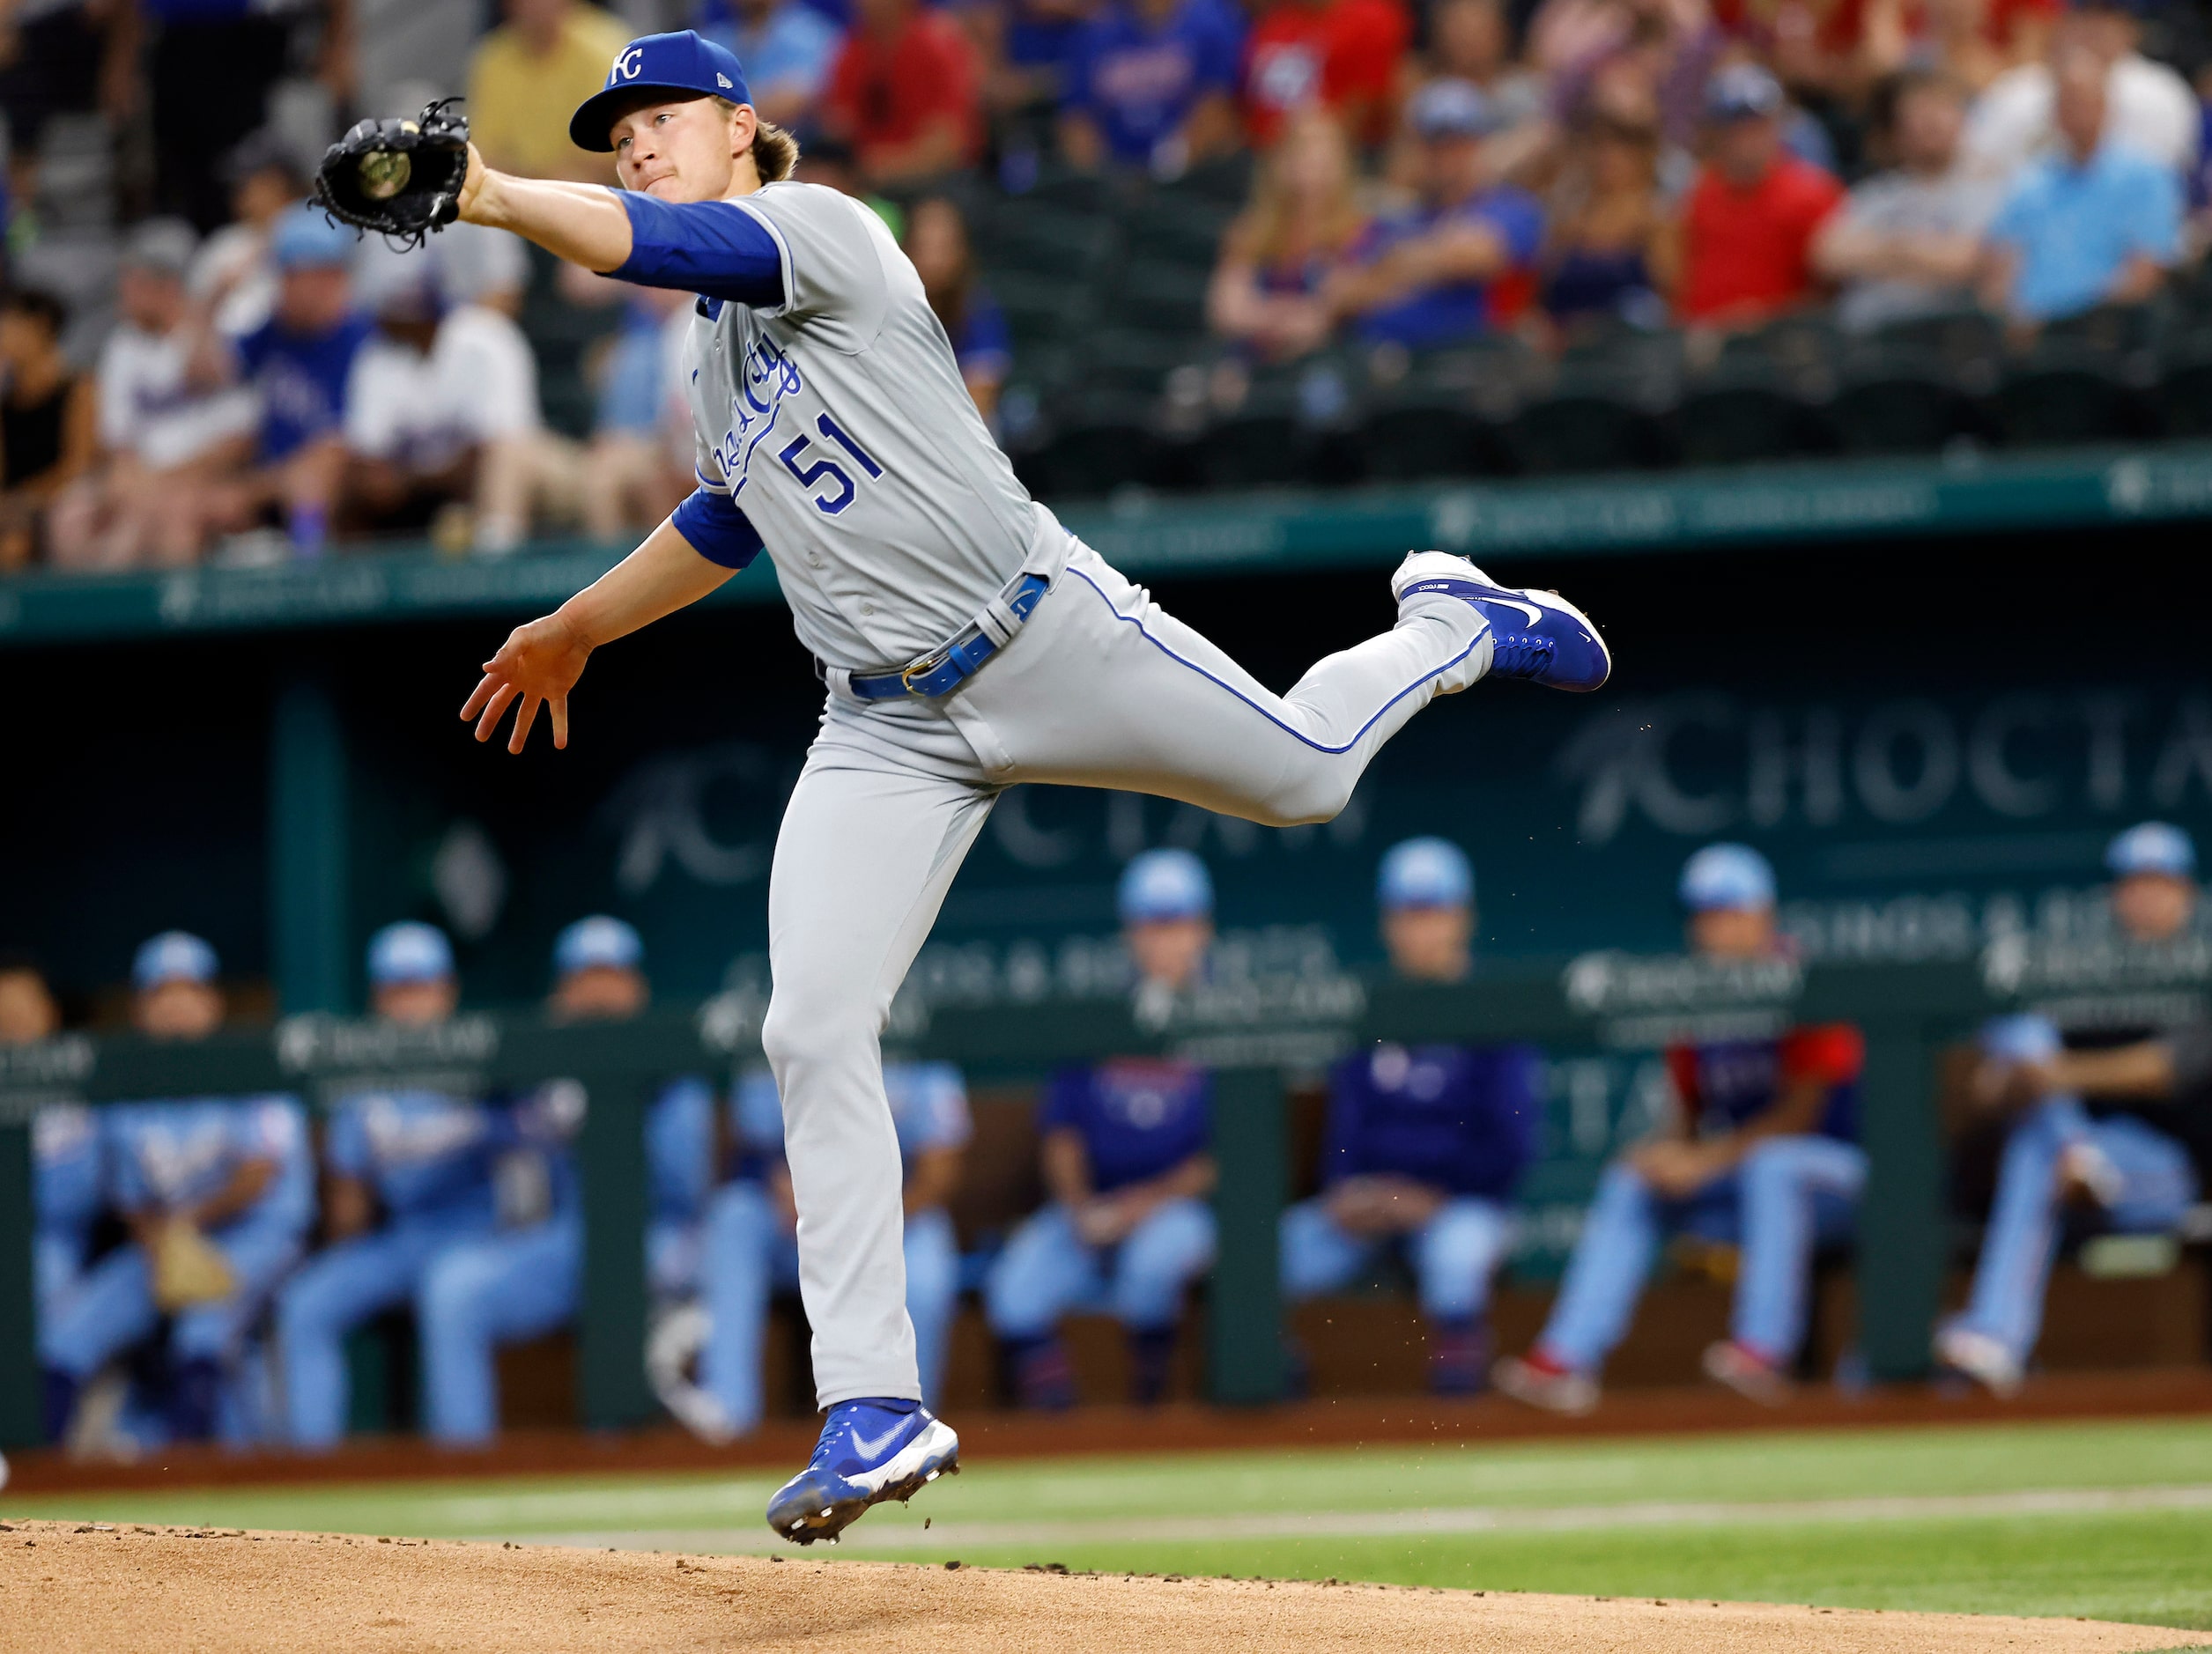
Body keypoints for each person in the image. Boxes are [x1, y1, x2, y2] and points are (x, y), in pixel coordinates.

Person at [447, 26, 1608, 1543]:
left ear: (738, 126)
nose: (635, 144)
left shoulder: (822, 229)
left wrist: (486, 193)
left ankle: (1448, 626)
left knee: (1312, 776)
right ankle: (870, 1400)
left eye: (658, 117)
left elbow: (649, 239)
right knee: (808, 1023)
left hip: (1034, 626)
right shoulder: (707, 345)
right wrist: (573, 624)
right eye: (615, 131)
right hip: (879, 725)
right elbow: (728, 518)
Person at [1495, 845, 1867, 1413]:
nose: (1710, 929)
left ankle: (1763, 1351)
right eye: (1702, 915)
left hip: (1847, 1177)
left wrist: (1705, 1161)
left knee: (1776, 1165)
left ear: (1761, 915)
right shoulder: (1698, 999)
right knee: (1632, 1181)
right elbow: (1688, 1121)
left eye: (1725, 912)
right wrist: (1667, 1155)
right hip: (1753, 1185)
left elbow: (1802, 1116)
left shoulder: (1803, 981)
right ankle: (1566, 1361)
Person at [414, 917, 704, 1446]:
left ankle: (628, 1450)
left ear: (636, 988)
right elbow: (483, 1124)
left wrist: (597, 1123)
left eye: (610, 977)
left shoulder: (672, 1064)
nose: (596, 992)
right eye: (582, 979)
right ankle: (464, 1464)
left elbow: (685, 1188)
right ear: (560, 992)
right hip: (566, 1240)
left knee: (621, 1272)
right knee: (455, 1287)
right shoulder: (541, 1066)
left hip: (660, 1236)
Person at [1281, 838, 1539, 1393]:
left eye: (1433, 912)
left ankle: (1457, 1408)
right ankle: (1277, 1404)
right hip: (1375, 1203)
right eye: (1407, 914)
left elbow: (1513, 1145)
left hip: (1464, 1204)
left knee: (1456, 1258)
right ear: (1387, 923)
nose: (1420, 929)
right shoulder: (1369, 1009)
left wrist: (1433, 1196)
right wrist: (1349, 1189)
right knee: (1279, 1253)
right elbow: (1346, 1131)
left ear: (1462, 918)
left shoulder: (1495, 1011)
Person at [40, 933, 314, 1445]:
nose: (177, 1006)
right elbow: (123, 1193)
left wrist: (185, 1227)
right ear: (142, 1007)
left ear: (213, 1002)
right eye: (162, 994)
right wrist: (160, 1240)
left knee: (202, 1331)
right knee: (68, 1336)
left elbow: (259, 1173)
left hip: (254, 1237)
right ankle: (34, 1488)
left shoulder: (253, 1063)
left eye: (189, 991)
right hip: (163, 1242)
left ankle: (187, 1488)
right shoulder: (122, 1084)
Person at [985, 850, 1220, 1408]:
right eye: (1151, 925)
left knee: (1153, 1266)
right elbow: (1062, 1134)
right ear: (1131, 934)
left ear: (1202, 930)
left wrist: (1146, 1204)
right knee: (1015, 1285)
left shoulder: (1227, 1019)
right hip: (1094, 1208)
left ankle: (1149, 1416)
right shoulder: (1103, 1018)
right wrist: (1082, 1207)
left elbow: (1228, 1157)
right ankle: (1062, 1431)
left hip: (1178, 1210)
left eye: (1177, 923)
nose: (1164, 940)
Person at [276, 923, 502, 1449]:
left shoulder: (486, 1058)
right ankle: (312, 1472)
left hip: (477, 1233)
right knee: (306, 1303)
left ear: (447, 990)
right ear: (379, 998)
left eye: (420, 987)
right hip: (402, 1239)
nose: (409, 1003)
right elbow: (348, 1204)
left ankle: (465, 1463)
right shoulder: (362, 1081)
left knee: (453, 1290)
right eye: (398, 989)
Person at [1937, 1011, 2201, 1396]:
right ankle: (2074, 1148)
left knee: (2041, 1144)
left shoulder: (2190, 965)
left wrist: (2047, 1076)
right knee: (2023, 1042)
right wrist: (1997, 1084)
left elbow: (2161, 1069)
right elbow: (1973, 1092)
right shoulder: (2059, 963)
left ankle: (1996, 1331)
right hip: (2061, 1173)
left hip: (2166, 1171)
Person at [707, 1058, 969, 1434]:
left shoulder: (916, 1049)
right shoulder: (790, 1030)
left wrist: (873, 1219)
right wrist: (782, 1185)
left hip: (895, 1219)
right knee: (735, 1217)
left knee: (927, 1267)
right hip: (798, 1221)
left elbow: (940, 1168)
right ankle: (728, 1416)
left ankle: (907, 1429)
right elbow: (753, 1147)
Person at [49, 219, 259, 570]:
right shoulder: (122, 345)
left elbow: (238, 443)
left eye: (135, 280)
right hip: (140, 479)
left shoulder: (217, 337)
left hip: (202, 480)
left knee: (160, 518)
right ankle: (78, 619)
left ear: (168, 285)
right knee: (72, 513)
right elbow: (118, 442)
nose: (124, 290)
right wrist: (129, 482)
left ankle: (148, 620)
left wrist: (157, 484)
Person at [343, 260, 570, 555]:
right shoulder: (378, 353)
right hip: (433, 493)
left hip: (533, 467)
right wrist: (399, 481)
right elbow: (368, 461)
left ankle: (496, 563)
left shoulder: (485, 338)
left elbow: (492, 446)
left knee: (507, 455)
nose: (393, 318)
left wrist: (410, 479)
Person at [199, 205, 375, 559]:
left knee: (312, 476)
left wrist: (255, 490)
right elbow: (204, 374)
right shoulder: (275, 330)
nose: (284, 287)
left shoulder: (365, 337)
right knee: (190, 496)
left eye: (295, 275)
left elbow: (349, 441)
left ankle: (306, 590)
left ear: (331, 277)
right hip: (274, 479)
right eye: (283, 275)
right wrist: (213, 299)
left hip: (352, 477)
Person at [1326, 79, 1545, 350]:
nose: (1447, 157)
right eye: (1435, 145)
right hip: (1382, 361)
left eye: (1459, 143)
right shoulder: (1395, 219)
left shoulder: (1511, 207)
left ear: (1478, 145)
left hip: (1467, 363)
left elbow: (1474, 255)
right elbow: (1339, 293)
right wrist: (1421, 265)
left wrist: (1389, 269)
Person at [1979, 47, 2180, 330]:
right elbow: (2000, 271)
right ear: (2054, 111)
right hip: (2029, 337)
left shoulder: (2145, 176)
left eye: (2085, 100)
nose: (2077, 112)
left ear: (2106, 105)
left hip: (2106, 331)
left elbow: (2145, 275)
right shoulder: (2029, 182)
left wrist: (2069, 320)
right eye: (2067, 101)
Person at [1811, 70, 2003, 333]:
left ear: (1961, 119)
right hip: (1868, 336)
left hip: (1945, 335)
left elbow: (1965, 260)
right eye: (1917, 115)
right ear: (1898, 131)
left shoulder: (1986, 188)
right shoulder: (1877, 193)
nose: (1928, 122)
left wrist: (1884, 251)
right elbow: (1827, 254)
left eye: (1938, 110)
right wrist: (1917, 252)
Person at [1671, 63, 1844, 330]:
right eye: (1733, 128)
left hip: (1777, 346)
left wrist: (1763, 318)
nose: (1744, 140)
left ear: (1776, 127)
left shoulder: (1812, 194)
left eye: (1756, 126)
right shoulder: (1699, 192)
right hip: (1699, 343)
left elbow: (1833, 296)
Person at [1962, 0, 2198, 181]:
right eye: (2081, 17)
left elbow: (2164, 178)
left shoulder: (2162, 92)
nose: (2092, 28)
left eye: (2105, 18)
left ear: (2130, 28)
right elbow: (1982, 171)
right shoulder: (2015, 91)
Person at [1208, 107, 1367, 362]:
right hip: (1250, 359)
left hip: (1321, 362)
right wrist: (1285, 316)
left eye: (1323, 156)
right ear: (1279, 162)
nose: (1313, 167)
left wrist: (1264, 313)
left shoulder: (1357, 232)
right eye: (1302, 153)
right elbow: (1226, 311)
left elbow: (1325, 317)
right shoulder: (1250, 231)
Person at [1058, 0, 1245, 177]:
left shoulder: (1211, 23)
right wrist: (1100, 181)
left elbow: (1216, 109)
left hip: (1192, 176)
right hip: (1114, 171)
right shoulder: (1097, 30)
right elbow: (1077, 118)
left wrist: (1167, 165)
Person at [467, 0, 633, 182]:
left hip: (598, 196)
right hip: (516, 195)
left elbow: (620, 148)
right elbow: (484, 154)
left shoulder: (606, 48)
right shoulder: (492, 60)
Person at [823, 0, 984, 188]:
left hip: (941, 181)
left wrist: (886, 165)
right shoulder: (851, 49)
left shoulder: (938, 46)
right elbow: (839, 127)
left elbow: (949, 144)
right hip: (868, 178)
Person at [1539, 111, 1668, 336]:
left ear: (1642, 156)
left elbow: (1671, 293)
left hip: (1631, 352)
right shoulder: (1568, 221)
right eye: (1599, 145)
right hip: (1569, 350)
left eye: (1621, 146)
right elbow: (1543, 293)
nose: (1607, 156)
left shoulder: (1658, 219)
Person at [0, 286, 96, 571]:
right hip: (14, 508)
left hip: (59, 501)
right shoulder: (5, 403)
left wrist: (26, 501)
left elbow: (78, 466)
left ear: (40, 325)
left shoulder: (78, 390)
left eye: (7, 323)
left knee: (13, 546)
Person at [1240, 0, 1413, 151]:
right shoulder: (1272, 24)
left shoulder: (1371, 18)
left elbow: (1364, 106)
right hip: (1262, 153)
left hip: (1342, 154)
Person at [904, 196, 1013, 428]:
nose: (934, 260)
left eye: (944, 247)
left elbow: (978, 406)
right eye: (924, 246)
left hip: (962, 437)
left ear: (963, 250)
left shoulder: (979, 310)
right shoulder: (888, 305)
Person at [706, 0, 842, 131]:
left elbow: (791, 103)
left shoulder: (812, 34)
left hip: (792, 146)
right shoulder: (711, 40)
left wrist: (722, 111)